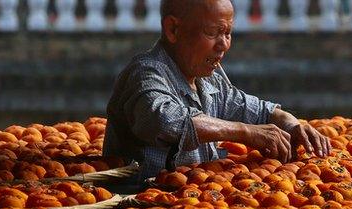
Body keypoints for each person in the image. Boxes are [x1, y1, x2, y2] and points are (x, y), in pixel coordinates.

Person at [103, 0, 330, 180]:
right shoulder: (145, 73)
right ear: (173, 29)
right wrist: (246, 132)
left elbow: (259, 111)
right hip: (140, 206)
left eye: (228, 33)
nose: (223, 45)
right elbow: (164, 121)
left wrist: (293, 125)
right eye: (213, 33)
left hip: (194, 206)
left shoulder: (207, 80)